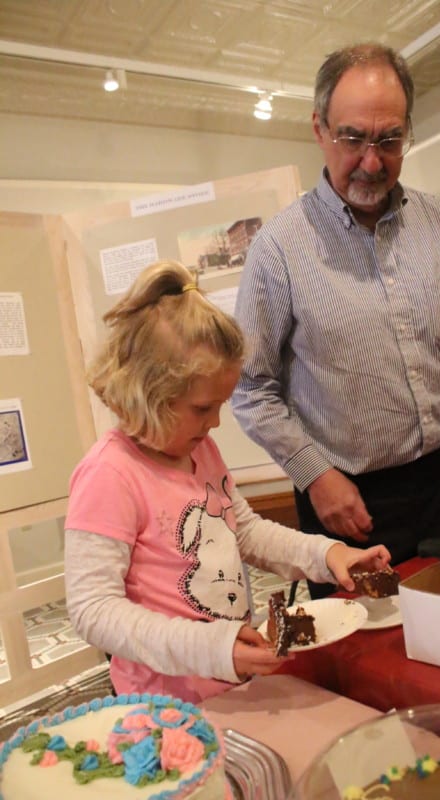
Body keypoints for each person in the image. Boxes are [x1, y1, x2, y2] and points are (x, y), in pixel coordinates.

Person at [231, 43, 440, 599]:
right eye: (353, 138)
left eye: (389, 140)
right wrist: (315, 475)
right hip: (343, 504)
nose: (372, 161)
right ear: (319, 128)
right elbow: (251, 387)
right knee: (365, 673)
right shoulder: (278, 249)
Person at [64, 259, 391, 703]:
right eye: (202, 408)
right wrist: (212, 649)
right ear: (145, 393)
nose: (216, 422)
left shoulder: (200, 450)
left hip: (230, 685)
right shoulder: (109, 474)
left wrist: (325, 552)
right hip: (165, 704)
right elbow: (93, 610)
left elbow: (247, 532)